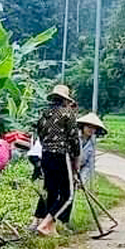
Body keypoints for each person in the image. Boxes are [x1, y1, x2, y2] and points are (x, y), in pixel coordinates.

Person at [34, 84, 80, 236]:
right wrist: (76, 161)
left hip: (46, 155)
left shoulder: (44, 113)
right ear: (65, 100)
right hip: (61, 155)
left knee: (52, 192)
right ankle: (45, 224)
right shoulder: (68, 114)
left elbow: (40, 136)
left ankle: (51, 228)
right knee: (67, 195)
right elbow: (74, 140)